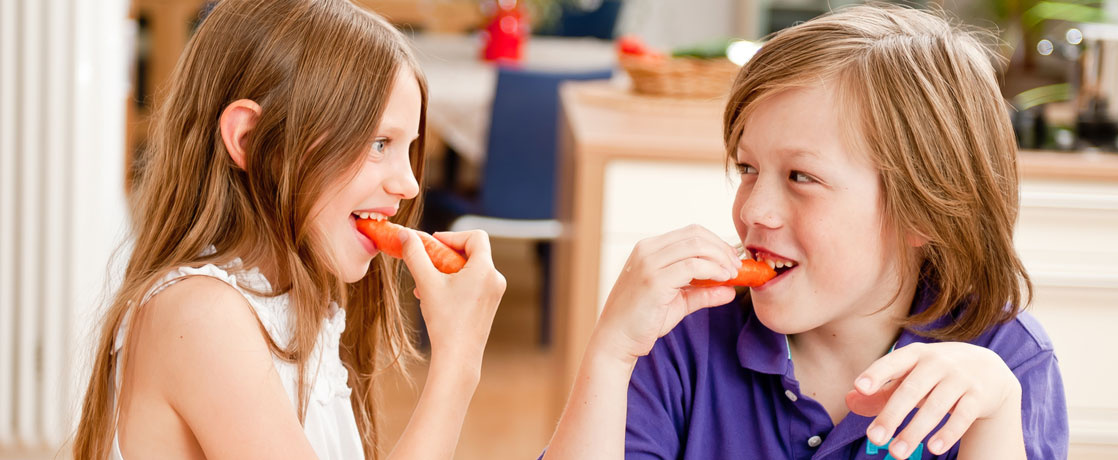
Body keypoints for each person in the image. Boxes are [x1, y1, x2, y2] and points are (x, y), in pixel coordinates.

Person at [542, 4, 1067, 459]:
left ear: (923, 211)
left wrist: (994, 419)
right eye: (748, 169)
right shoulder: (683, 331)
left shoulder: (1005, 363)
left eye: (801, 177)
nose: (755, 211)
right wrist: (611, 352)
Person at [71, 1, 506, 458]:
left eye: (407, 147)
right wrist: (457, 362)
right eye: (379, 144)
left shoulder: (301, 304)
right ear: (250, 140)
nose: (409, 183)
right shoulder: (200, 316)